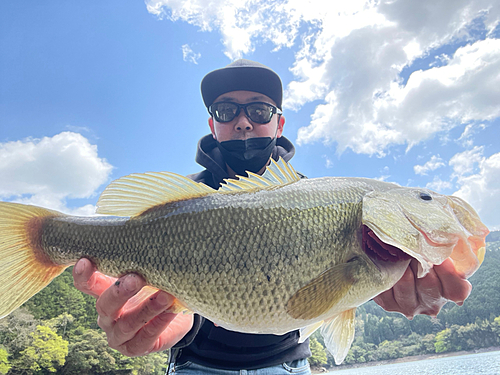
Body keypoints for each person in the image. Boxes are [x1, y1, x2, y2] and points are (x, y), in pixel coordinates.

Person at [72, 59, 472, 374]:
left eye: (259, 110)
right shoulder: (178, 206)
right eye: (226, 110)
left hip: (287, 366)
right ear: (213, 124)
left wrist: (385, 284)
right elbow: (180, 302)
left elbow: (318, 304)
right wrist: (166, 317)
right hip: (195, 367)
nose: (243, 121)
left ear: (279, 123)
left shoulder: (320, 201)